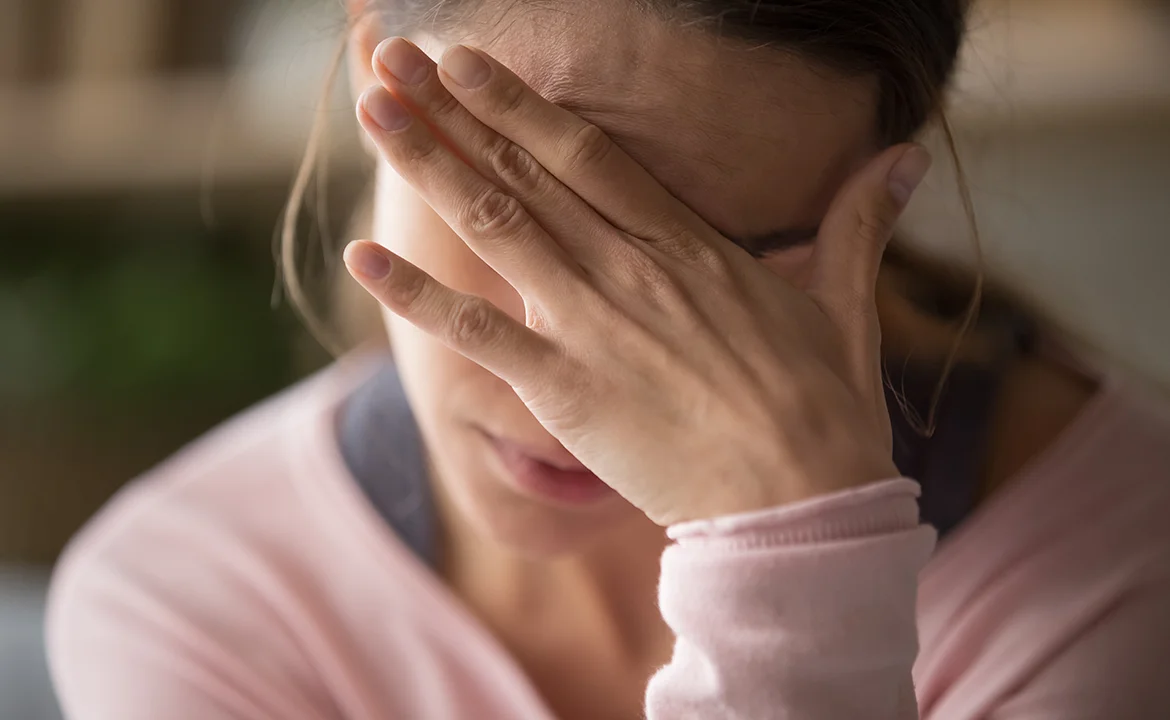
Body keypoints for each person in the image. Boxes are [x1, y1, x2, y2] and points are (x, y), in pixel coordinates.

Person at [45, 1, 1170, 718]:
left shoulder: (1115, 569)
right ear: (367, 56)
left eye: (722, 269)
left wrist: (795, 558)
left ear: (881, 191)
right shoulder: (193, 599)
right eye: (524, 205)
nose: (566, 375)